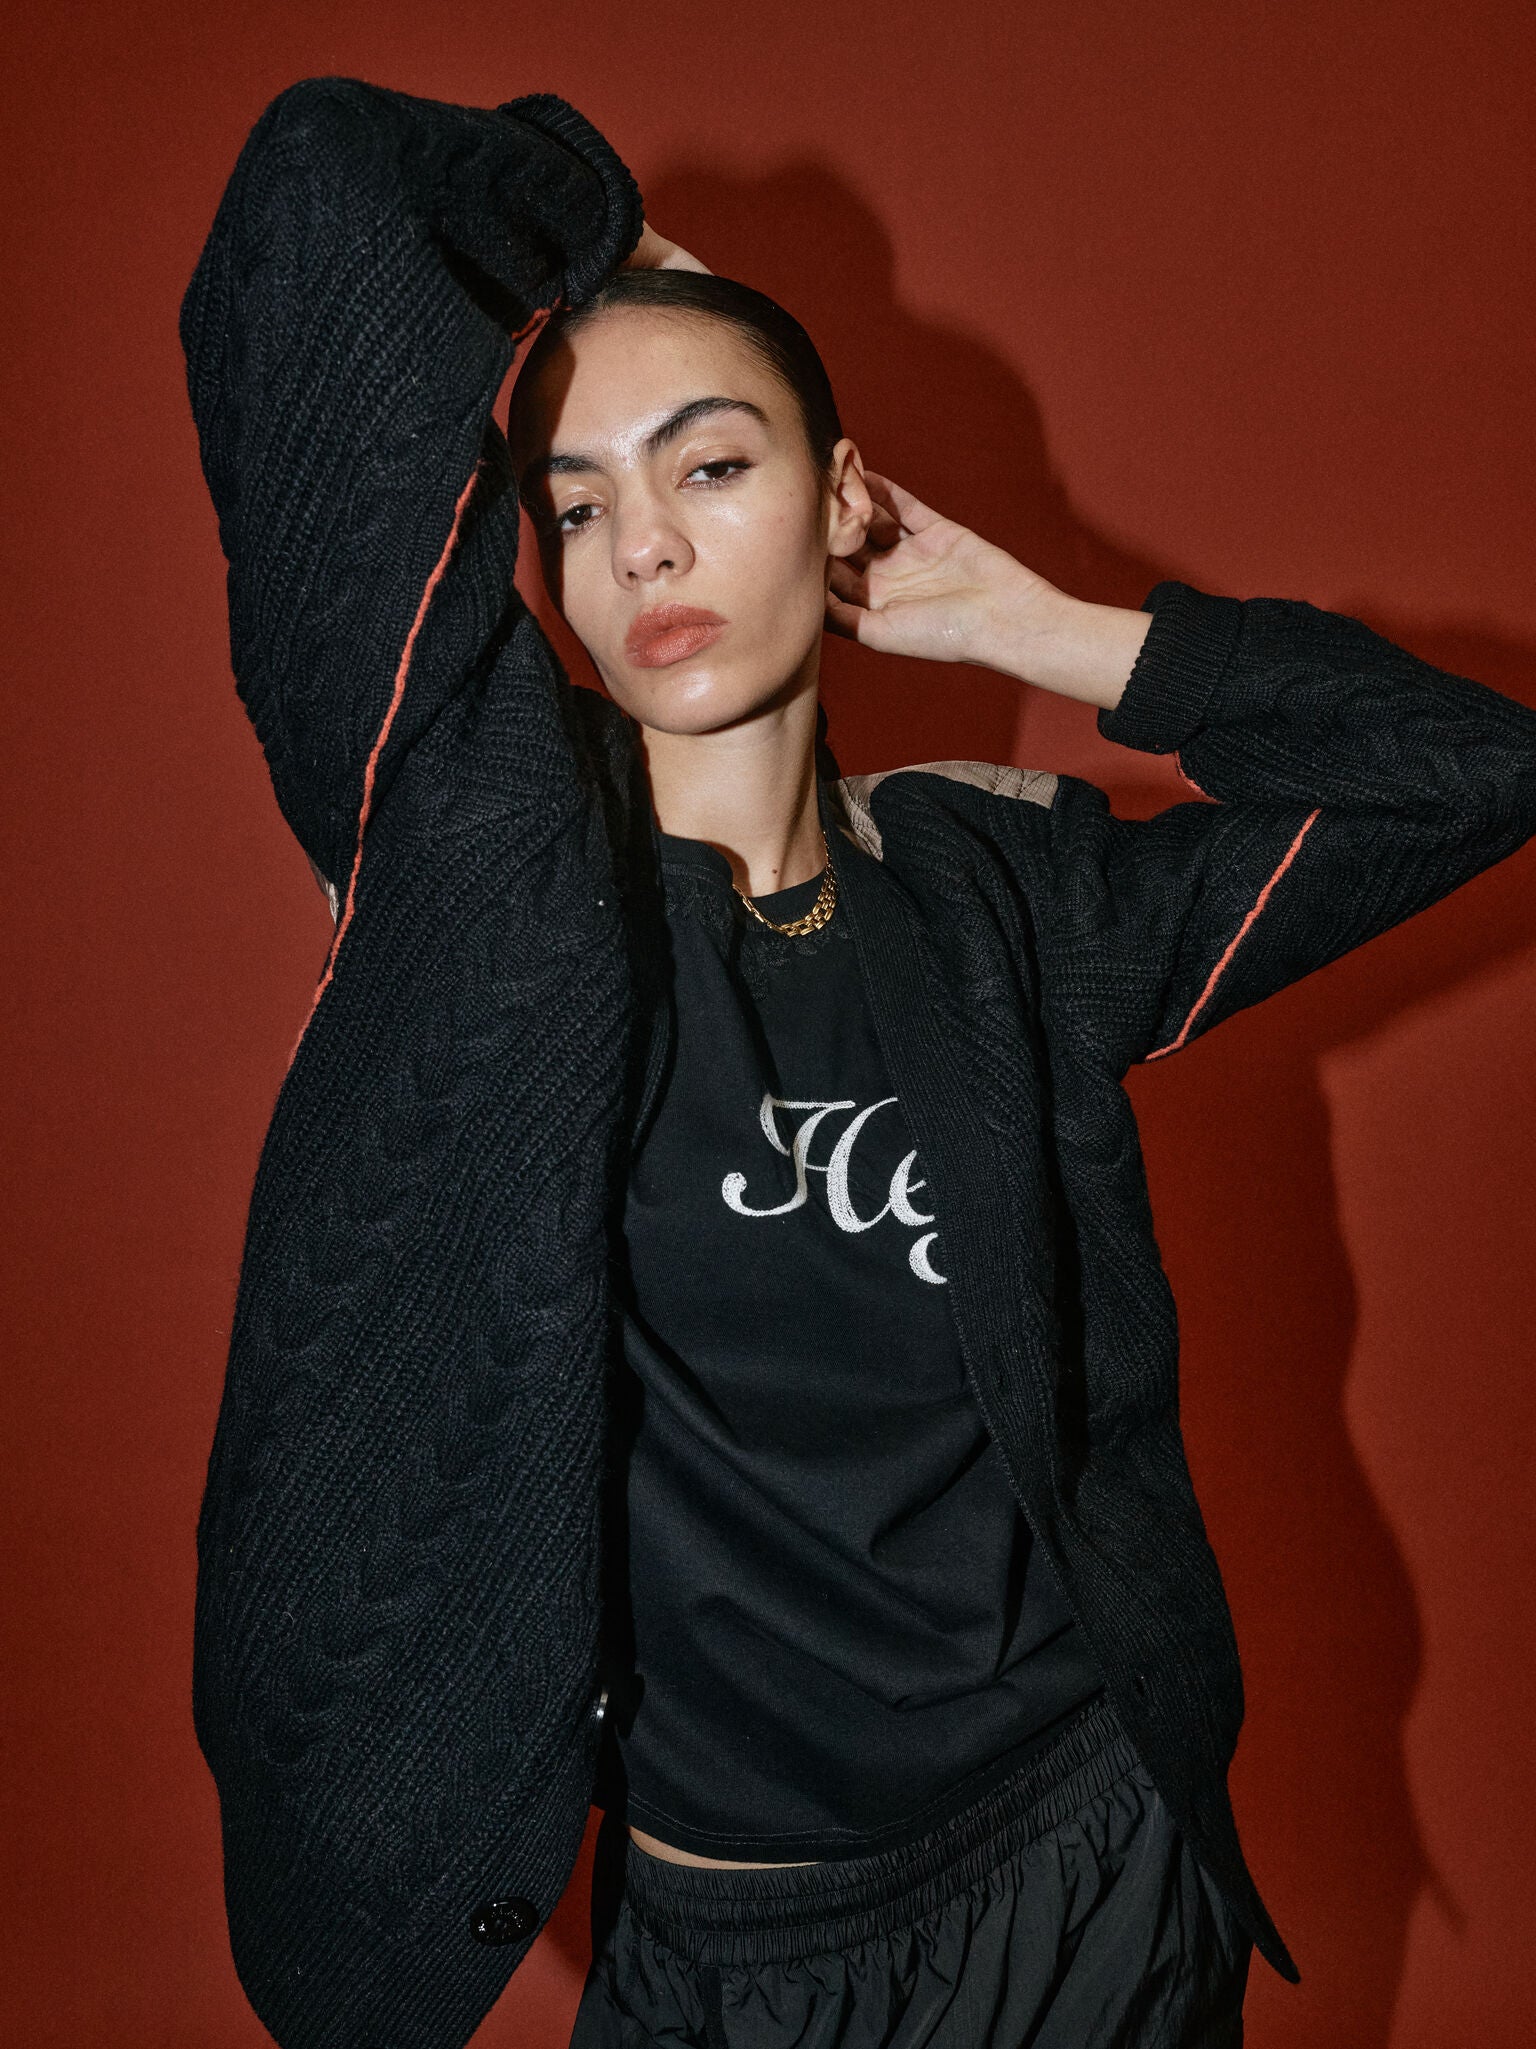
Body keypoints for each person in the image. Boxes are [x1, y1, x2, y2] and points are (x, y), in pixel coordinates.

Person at [178, 74, 1536, 2049]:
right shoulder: (481, 898)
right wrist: (608, 241)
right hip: (739, 1943)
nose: (643, 541)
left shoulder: (1003, 900)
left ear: (839, 500)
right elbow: (315, 192)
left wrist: (1030, 619)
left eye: (711, 465)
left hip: (1094, 1873)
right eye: (579, 502)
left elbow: (1474, 774)